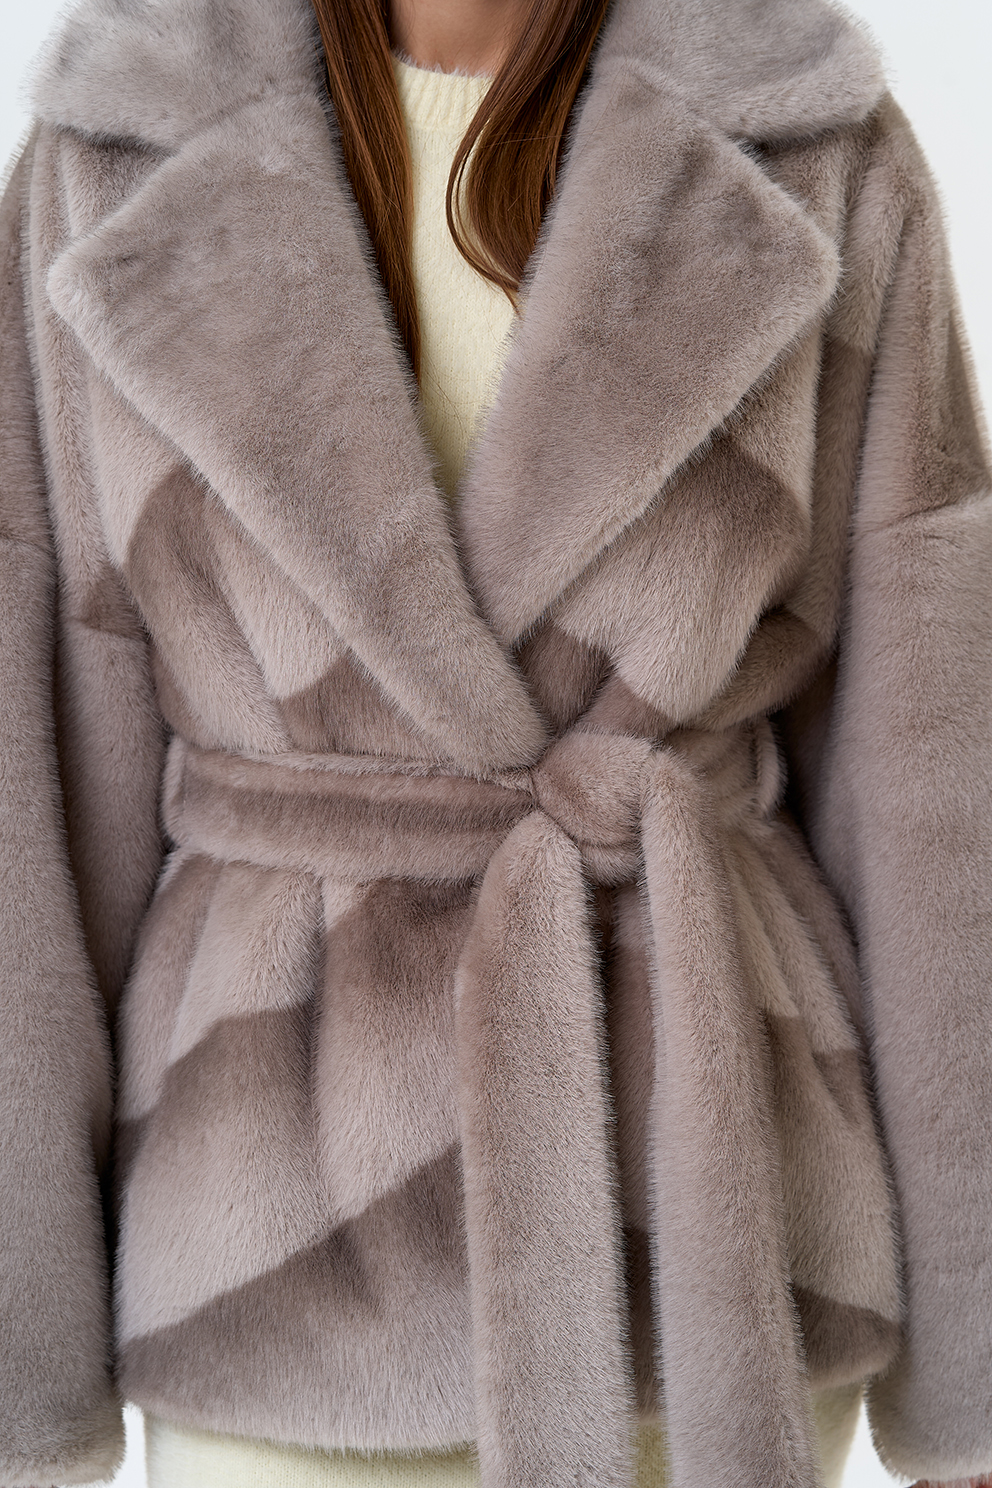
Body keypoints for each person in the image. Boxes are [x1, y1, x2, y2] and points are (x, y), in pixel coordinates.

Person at [1, 0, 990, 1483]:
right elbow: (36, 789)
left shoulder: (812, 142)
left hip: (705, 1219)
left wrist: (977, 1363)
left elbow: (932, 770)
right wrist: (24, 1348)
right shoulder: (111, 152)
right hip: (274, 1239)